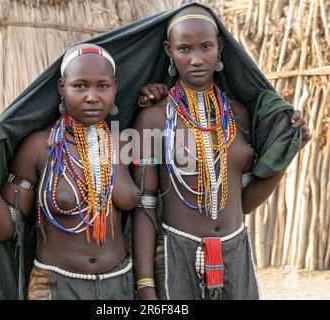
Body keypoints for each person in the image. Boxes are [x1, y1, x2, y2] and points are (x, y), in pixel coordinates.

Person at [132, 5, 311, 300]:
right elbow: (144, 207)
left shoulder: (239, 117)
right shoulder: (152, 120)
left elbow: (244, 205)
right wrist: (146, 286)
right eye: (184, 49)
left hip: (235, 252)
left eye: (206, 47)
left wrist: (286, 153)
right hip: (177, 255)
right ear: (169, 50)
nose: (197, 59)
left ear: (220, 47)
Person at [0, 44, 140, 300]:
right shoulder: (39, 148)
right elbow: (3, 230)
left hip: (120, 287)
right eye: (80, 86)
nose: (92, 96)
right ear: (62, 88)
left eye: (102, 86)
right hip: (54, 288)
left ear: (114, 87)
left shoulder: (127, 144)